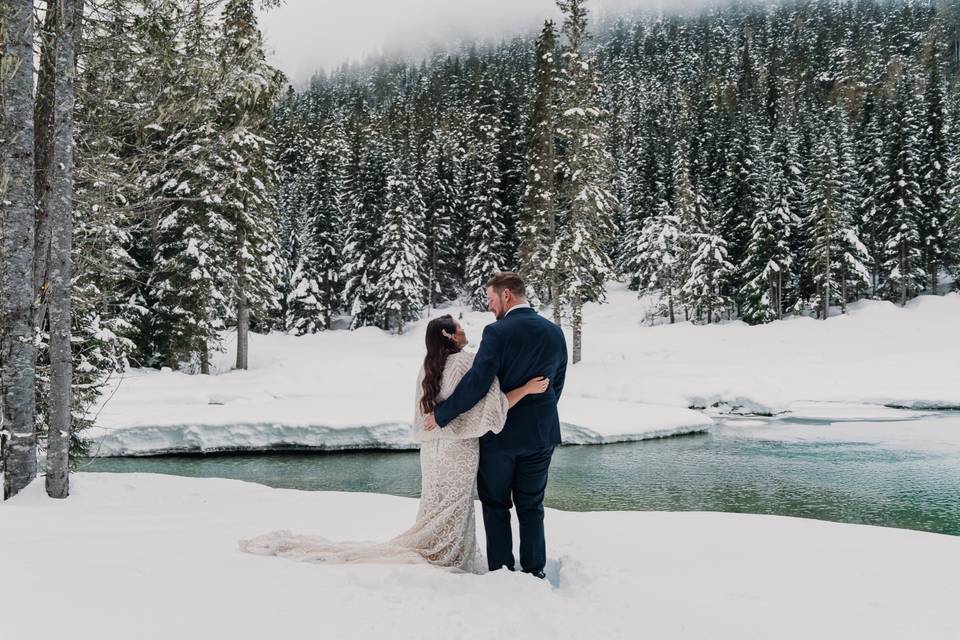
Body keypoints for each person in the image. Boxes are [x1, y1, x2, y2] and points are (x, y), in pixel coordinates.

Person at [238, 311, 550, 574]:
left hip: (432, 452)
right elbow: (488, 408)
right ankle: (448, 556)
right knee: (454, 509)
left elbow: (428, 414)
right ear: (448, 334)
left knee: (434, 509)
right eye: (459, 327)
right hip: (457, 451)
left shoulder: (428, 365)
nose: (464, 330)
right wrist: (526, 389)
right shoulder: (464, 363)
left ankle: (440, 550)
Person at [425, 271, 567, 578]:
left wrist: (442, 414)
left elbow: (477, 383)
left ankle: (502, 571)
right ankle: (534, 570)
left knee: (496, 503)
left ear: (506, 295)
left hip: (500, 435)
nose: (489, 307)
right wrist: (539, 414)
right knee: (532, 505)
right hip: (541, 433)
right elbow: (557, 383)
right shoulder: (555, 332)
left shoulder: (497, 333)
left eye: (490, 299)